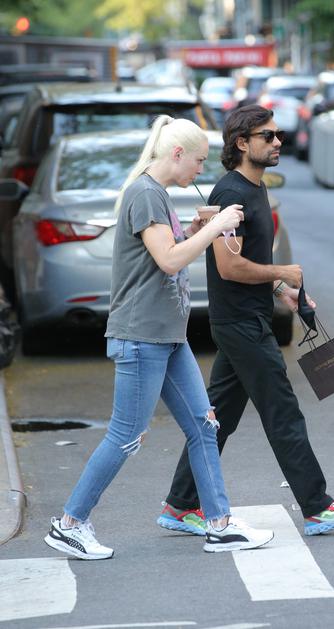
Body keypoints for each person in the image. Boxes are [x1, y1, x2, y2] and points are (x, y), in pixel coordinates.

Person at [44, 115, 274, 560]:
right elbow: (169, 261)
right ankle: (69, 523)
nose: (201, 171)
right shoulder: (146, 193)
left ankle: (220, 525)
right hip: (142, 336)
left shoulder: (158, 195)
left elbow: (163, 254)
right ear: (177, 154)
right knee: (126, 435)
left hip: (166, 335)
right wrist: (214, 228)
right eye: (199, 161)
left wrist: (194, 231)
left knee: (204, 427)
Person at [158, 105, 334, 537]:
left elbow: (247, 259)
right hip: (241, 325)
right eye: (268, 136)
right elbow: (229, 267)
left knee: (218, 418)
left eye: (278, 135)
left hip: (248, 318)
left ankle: (179, 505)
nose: (277, 142)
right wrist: (282, 271)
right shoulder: (228, 194)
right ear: (242, 143)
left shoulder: (255, 189)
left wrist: (279, 290)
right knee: (283, 412)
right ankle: (317, 508)